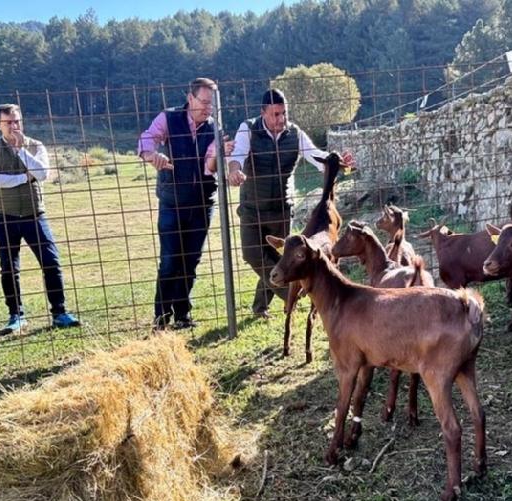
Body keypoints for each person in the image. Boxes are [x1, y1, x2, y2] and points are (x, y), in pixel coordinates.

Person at [226, 88, 354, 318]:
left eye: (283, 113)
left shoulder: (294, 133)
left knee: (278, 258)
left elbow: (315, 154)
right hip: (252, 207)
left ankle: (260, 307)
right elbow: (237, 157)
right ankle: (294, 291)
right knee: (252, 254)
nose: (281, 119)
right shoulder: (248, 129)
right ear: (263, 112)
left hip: (282, 208)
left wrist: (337, 162)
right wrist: (234, 172)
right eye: (275, 114)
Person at [138, 77, 232, 330]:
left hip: (202, 204)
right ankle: (161, 317)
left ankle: (182, 314)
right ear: (190, 98)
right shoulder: (169, 118)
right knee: (170, 260)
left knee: (191, 260)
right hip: (171, 202)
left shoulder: (215, 127)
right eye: (203, 102)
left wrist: (220, 153)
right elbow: (148, 137)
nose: (207, 108)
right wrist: (151, 155)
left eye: (211, 104)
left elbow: (208, 166)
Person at [0, 103, 79, 334]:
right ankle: (16, 316)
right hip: (5, 216)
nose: (14, 126)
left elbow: (43, 174)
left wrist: (21, 152)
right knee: (9, 267)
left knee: (51, 262)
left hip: (35, 214)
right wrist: (24, 179)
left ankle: (59, 312)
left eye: (17, 121)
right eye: (8, 122)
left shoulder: (35, 146)